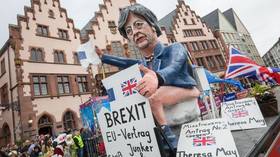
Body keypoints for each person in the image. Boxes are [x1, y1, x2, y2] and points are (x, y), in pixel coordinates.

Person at [95, 3, 200, 149]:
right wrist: (104, 58)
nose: (135, 32)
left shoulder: (174, 48)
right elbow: (126, 62)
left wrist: (157, 77)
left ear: (152, 26)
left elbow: (174, 67)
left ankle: (169, 139)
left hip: (189, 128)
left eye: (138, 25)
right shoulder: (143, 64)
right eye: (129, 31)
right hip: (161, 138)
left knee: (154, 98)